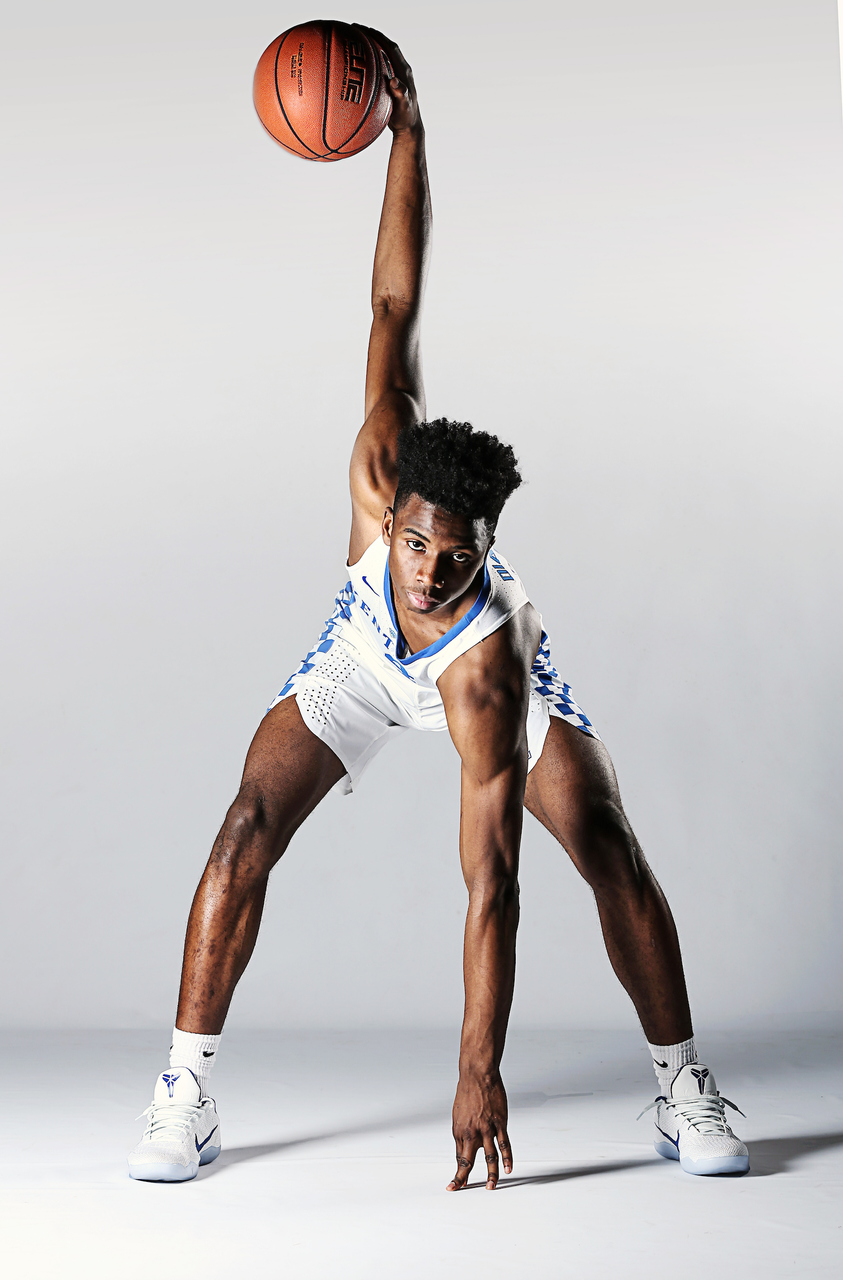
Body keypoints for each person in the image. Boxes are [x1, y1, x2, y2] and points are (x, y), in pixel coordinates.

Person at [128, 33, 748, 1188]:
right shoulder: (381, 470)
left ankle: (682, 1083)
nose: (422, 568)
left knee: (605, 842)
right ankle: (185, 1088)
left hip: (465, 676)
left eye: (450, 558)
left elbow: (490, 883)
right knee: (244, 825)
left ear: (484, 552)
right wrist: (406, 135)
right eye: (411, 541)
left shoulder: (489, 660)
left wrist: (478, 1064)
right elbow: (393, 297)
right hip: (362, 661)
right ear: (391, 503)